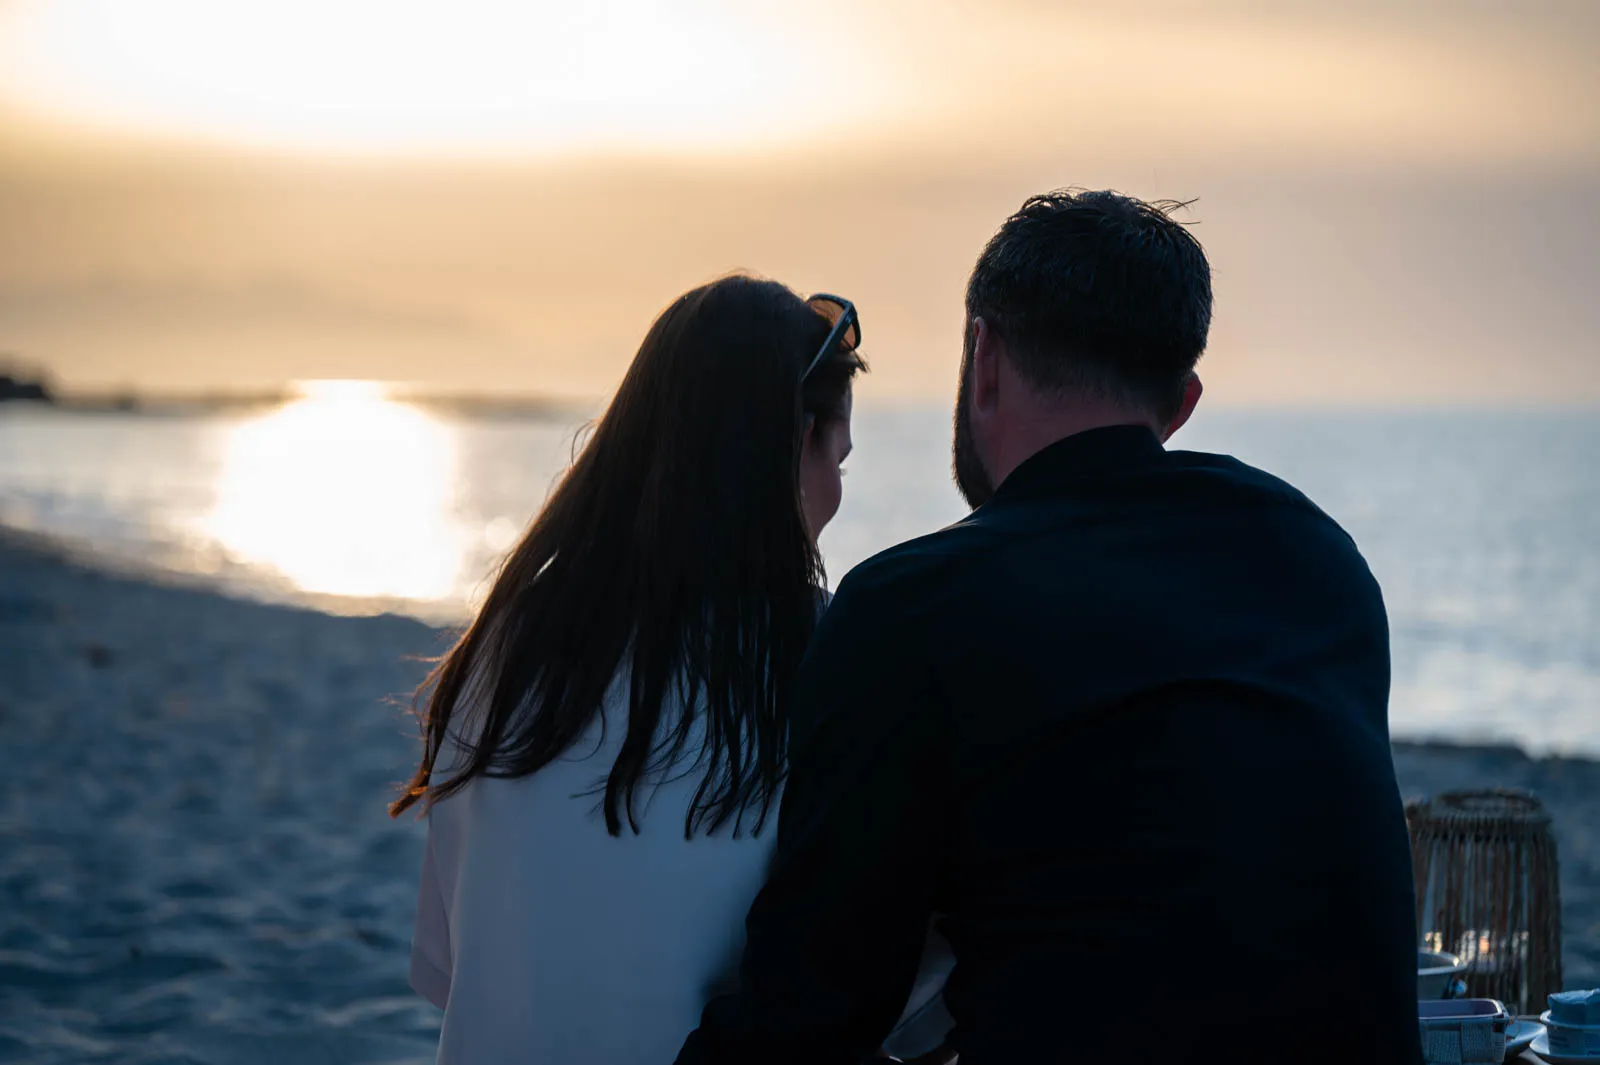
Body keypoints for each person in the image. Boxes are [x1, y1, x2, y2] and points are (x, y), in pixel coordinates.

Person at [675, 191, 1423, 1065]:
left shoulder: (916, 606)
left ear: (984, 357)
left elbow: (812, 1013)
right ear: (1181, 403)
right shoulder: (1319, 561)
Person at [390, 274, 884, 1063]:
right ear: (793, 443)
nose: (834, 496)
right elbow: (888, 993)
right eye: (839, 464)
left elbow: (451, 968)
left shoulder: (503, 644)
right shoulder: (813, 654)